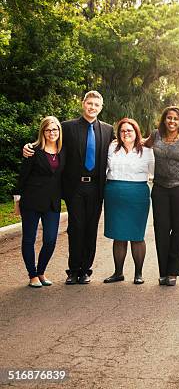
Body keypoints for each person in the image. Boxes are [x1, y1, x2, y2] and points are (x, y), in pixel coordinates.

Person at [24, 91, 114, 284]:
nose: (92, 107)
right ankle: (73, 270)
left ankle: (85, 270)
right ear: (83, 104)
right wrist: (28, 147)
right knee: (76, 228)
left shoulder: (107, 130)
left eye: (96, 105)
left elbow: (122, 146)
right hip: (74, 188)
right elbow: (48, 141)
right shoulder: (67, 127)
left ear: (101, 107)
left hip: (96, 188)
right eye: (89, 103)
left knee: (90, 229)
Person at [146, 106, 179, 287]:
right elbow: (140, 145)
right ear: (164, 119)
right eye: (169, 118)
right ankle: (163, 271)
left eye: (176, 119)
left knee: (178, 229)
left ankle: (173, 272)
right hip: (160, 187)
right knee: (161, 229)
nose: (172, 121)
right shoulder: (155, 135)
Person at [102, 118, 154, 285]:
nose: (126, 133)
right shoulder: (111, 147)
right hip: (114, 193)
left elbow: (155, 171)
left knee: (137, 235)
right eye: (123, 131)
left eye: (129, 130)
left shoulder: (146, 150)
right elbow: (103, 169)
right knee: (119, 235)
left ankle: (138, 273)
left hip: (137, 195)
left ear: (136, 132)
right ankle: (118, 273)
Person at [15, 116, 65, 288]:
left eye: (55, 129)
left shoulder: (63, 151)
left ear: (59, 131)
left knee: (50, 239)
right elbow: (23, 176)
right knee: (29, 239)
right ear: (43, 131)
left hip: (52, 202)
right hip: (31, 201)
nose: (52, 133)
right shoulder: (33, 150)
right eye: (49, 130)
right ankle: (32, 275)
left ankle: (41, 272)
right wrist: (17, 199)